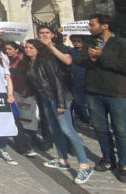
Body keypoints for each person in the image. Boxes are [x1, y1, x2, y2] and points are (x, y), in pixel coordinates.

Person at [24, 39, 93, 184]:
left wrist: (60, 102)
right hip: (46, 97)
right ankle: (62, 159)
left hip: (58, 97)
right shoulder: (31, 62)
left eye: (31, 47)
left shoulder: (46, 61)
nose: (27, 50)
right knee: (54, 129)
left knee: (67, 129)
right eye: (26, 47)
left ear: (38, 49)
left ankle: (84, 165)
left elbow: (57, 81)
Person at [77, 14, 126, 181]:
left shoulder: (120, 43)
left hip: (116, 93)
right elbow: (79, 60)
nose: (88, 28)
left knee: (120, 130)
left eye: (92, 25)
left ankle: (123, 163)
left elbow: (123, 66)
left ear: (104, 26)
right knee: (100, 128)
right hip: (93, 91)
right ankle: (108, 158)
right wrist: (90, 58)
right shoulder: (90, 43)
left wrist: (101, 57)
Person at [5, 41, 39, 157]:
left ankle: (30, 142)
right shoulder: (5, 60)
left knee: (28, 118)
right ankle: (24, 145)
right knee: (17, 118)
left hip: (24, 92)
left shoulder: (23, 61)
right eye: (6, 49)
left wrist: (26, 89)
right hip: (12, 93)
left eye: (10, 49)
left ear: (17, 50)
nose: (7, 51)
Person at [68, 35, 90, 124]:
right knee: (79, 100)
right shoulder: (71, 51)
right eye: (74, 41)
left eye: (78, 41)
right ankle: (84, 117)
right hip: (76, 78)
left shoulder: (88, 51)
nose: (76, 43)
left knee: (89, 100)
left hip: (88, 77)